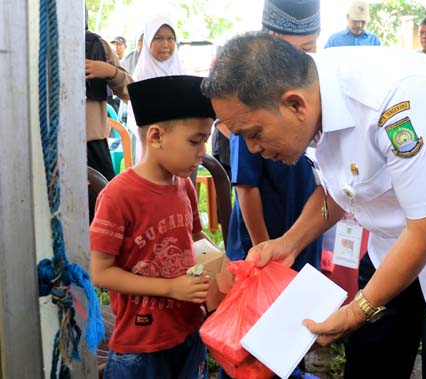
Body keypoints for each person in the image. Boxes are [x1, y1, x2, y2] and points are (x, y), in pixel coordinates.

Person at [203, 32, 426, 379]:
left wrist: (355, 312)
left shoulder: (396, 101)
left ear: (295, 104)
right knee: (372, 358)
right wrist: (289, 243)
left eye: (254, 133)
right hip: (396, 238)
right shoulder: (312, 97)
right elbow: (339, 188)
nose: (253, 149)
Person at [90, 75, 215, 379]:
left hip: (188, 330)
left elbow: (195, 237)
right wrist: (170, 288)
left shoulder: (184, 185)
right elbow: (101, 272)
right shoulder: (119, 196)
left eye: (205, 141)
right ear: (156, 136)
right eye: (195, 141)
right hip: (140, 345)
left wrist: (223, 266)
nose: (202, 152)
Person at [222, 1, 323, 377]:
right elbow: (246, 187)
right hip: (264, 231)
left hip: (300, 220)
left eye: (307, 51)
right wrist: (265, 250)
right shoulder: (252, 107)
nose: (296, 66)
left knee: (292, 310)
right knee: (258, 320)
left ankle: (290, 368)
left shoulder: (312, 99)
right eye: (286, 51)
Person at [85, 26, 132, 221]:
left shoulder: (98, 45)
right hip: (46, 146)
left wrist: (110, 72)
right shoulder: (34, 40)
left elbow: (131, 90)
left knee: (106, 216)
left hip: (93, 147)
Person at [128, 15, 186, 162]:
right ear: (148, 41)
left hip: (180, 140)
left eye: (170, 38)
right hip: (152, 141)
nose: (165, 44)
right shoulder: (142, 74)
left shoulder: (180, 71)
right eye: (158, 38)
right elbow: (137, 115)